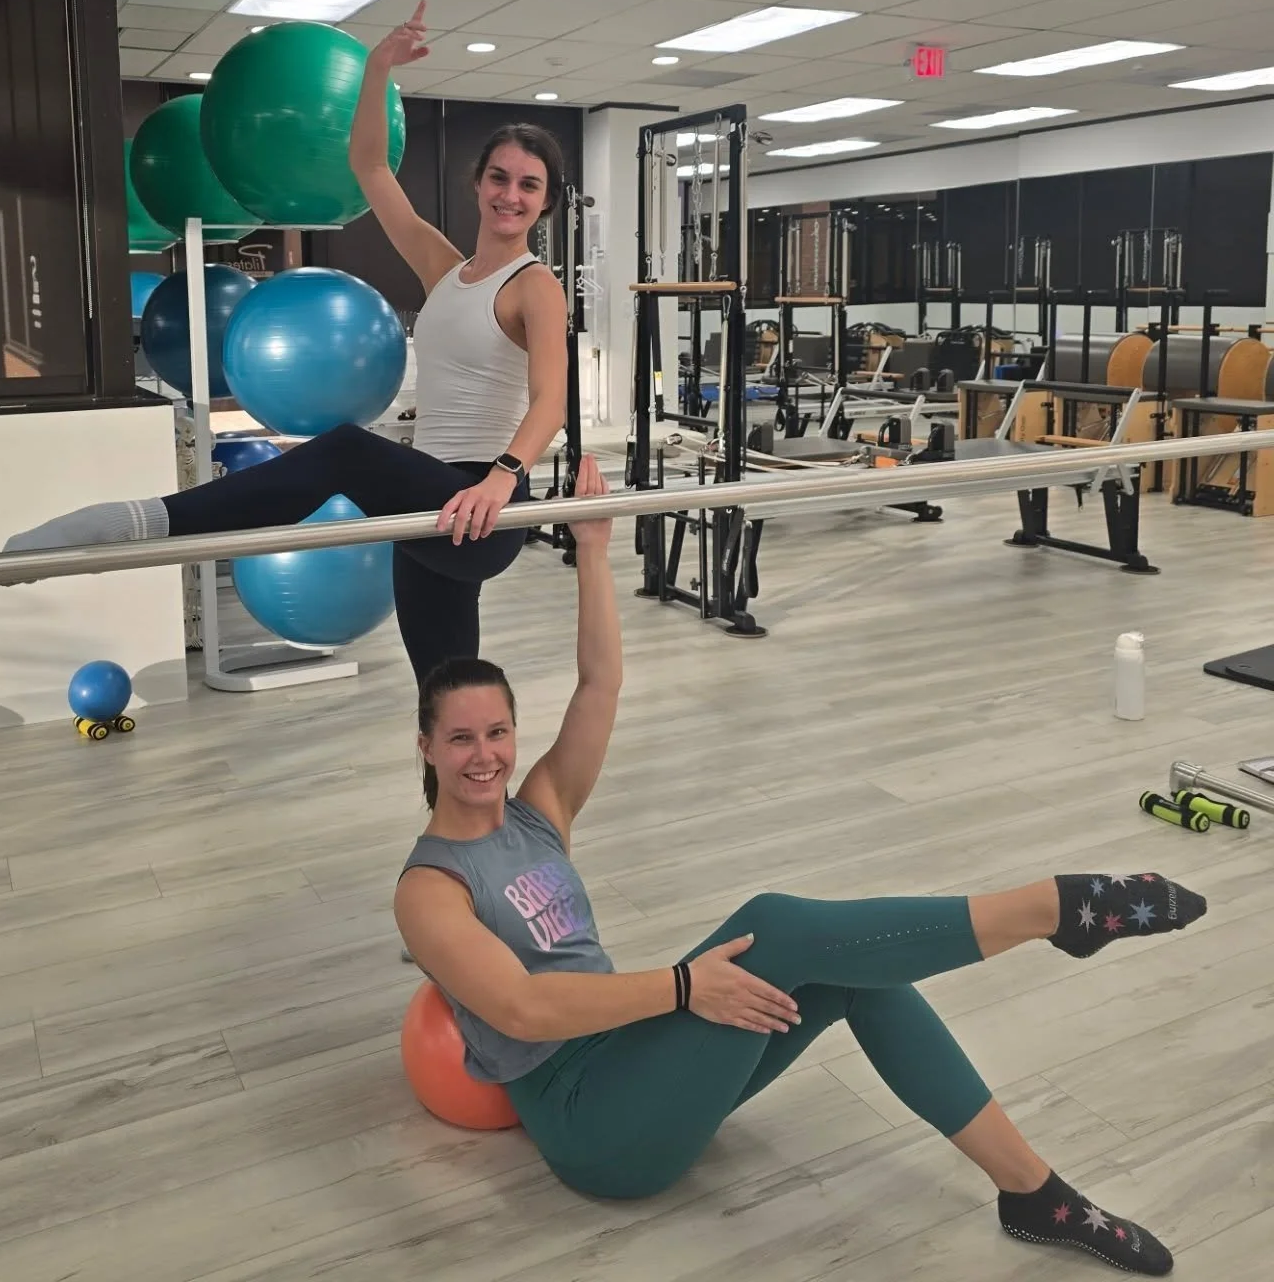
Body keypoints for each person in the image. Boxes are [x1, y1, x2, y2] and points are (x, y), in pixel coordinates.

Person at [394, 457, 1201, 1277]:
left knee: (852, 975)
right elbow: (524, 1009)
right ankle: (1051, 911)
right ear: (425, 746)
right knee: (776, 923)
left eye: (497, 733)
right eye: (461, 738)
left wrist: (595, 551)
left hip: (635, 1059)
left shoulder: (538, 815)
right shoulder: (429, 888)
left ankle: (1036, 1194)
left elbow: (600, 685)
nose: (485, 755)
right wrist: (683, 986)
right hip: (590, 1125)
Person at [3, 1, 569, 685]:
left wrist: (504, 477)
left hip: (483, 508)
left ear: (546, 203)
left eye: (528, 186)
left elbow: (551, 401)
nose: (510, 194)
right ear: (478, 184)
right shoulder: (444, 268)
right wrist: (379, 69)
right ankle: (466, 792)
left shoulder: (536, 285)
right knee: (444, 694)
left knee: (345, 450)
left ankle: (133, 522)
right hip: (430, 501)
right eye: (500, 178)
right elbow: (368, 167)